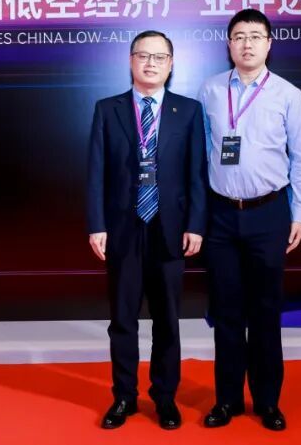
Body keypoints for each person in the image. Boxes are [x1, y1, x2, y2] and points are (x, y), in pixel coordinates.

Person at [198, 9, 301, 432]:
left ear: (269, 42)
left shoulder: (288, 94)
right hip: (221, 215)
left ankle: (267, 401)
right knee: (226, 311)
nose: (246, 44)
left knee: (265, 312)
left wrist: (298, 213)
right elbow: (200, 152)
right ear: (228, 43)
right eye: (239, 36)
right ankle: (227, 400)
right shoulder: (210, 90)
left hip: (269, 213)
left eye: (255, 36)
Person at [86, 30, 207, 430]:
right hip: (123, 228)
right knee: (122, 318)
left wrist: (196, 224)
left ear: (171, 64)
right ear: (131, 60)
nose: (151, 63)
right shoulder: (108, 109)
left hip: (170, 228)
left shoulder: (188, 111)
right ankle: (124, 396)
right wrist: (97, 224)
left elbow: (197, 174)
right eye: (143, 55)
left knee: (167, 319)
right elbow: (96, 172)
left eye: (159, 57)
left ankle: (165, 396)